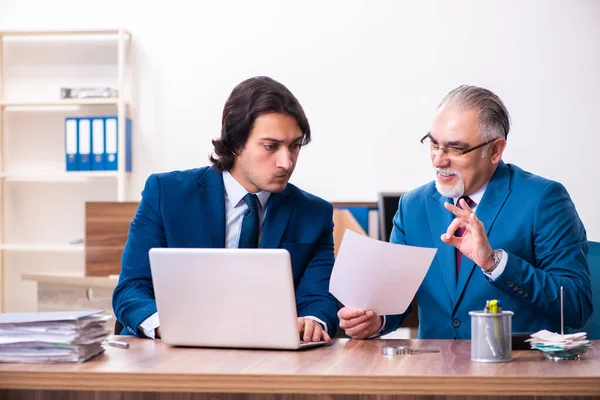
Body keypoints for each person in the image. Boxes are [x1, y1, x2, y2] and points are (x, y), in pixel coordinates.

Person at [339, 85, 593, 339]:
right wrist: (375, 321)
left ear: (494, 150)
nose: (438, 160)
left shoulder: (543, 199)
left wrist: (494, 263)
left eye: (456, 149)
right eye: (433, 144)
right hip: (435, 369)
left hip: (517, 368)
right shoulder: (412, 206)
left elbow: (575, 305)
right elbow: (395, 300)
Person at [113, 76, 339, 342]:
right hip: (173, 354)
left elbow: (319, 298)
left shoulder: (314, 214)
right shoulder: (166, 194)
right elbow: (131, 289)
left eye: (294, 146)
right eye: (271, 146)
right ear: (235, 143)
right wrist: (169, 327)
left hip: (272, 360)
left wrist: (312, 321)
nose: (286, 162)